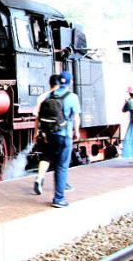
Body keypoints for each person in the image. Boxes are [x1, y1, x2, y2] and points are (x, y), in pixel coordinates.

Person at [43, 71, 81, 208]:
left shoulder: (49, 95)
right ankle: (59, 198)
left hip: (51, 135)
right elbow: (76, 117)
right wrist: (76, 131)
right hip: (65, 135)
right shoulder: (72, 97)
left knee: (56, 165)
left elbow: (40, 117)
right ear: (70, 82)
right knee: (62, 166)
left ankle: (58, 194)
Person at [32, 74, 74, 195]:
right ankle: (63, 185)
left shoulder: (43, 97)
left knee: (46, 156)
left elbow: (37, 116)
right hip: (60, 133)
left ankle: (39, 178)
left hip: (45, 132)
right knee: (61, 161)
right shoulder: (64, 96)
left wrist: (36, 133)